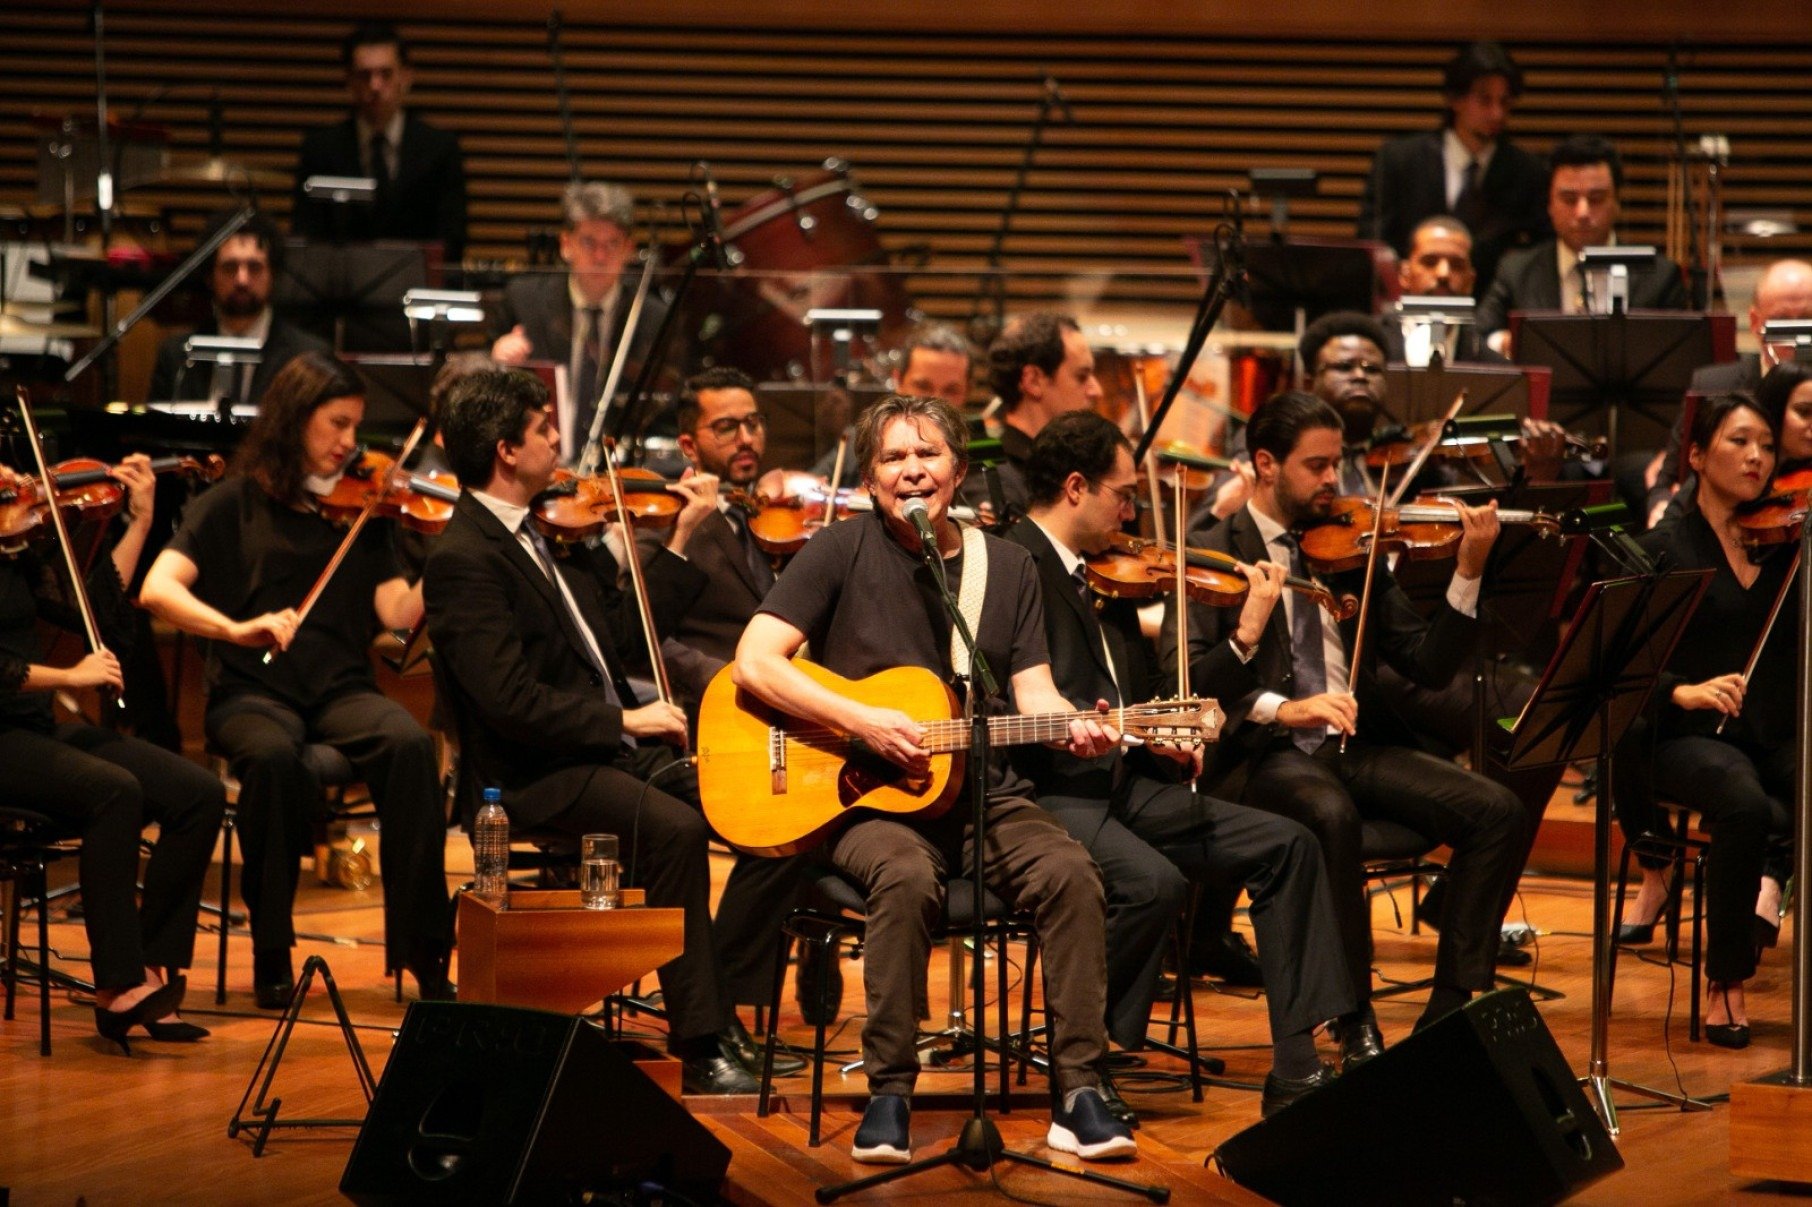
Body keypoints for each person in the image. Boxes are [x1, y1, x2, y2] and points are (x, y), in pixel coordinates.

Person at [733, 394, 1136, 1163]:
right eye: (892, 457)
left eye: (928, 454)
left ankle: (1079, 1088)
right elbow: (754, 660)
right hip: (865, 799)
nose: (911, 469)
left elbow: (1034, 691)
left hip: (985, 793)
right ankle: (890, 1090)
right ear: (869, 476)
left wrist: (1076, 725)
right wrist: (859, 721)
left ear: (957, 470)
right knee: (906, 877)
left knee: (1071, 872)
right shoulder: (837, 551)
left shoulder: (1006, 563)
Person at [424, 367, 773, 1094]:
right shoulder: (465, 558)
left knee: (758, 799)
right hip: (527, 775)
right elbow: (508, 701)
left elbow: (618, 643)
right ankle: (702, 1042)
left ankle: (723, 1002)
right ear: (504, 449)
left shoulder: (540, 535)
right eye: (544, 429)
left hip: (591, 750)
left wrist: (677, 538)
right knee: (673, 829)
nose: (560, 441)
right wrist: (627, 718)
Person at [1008, 411, 1357, 1117]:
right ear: (1077, 487)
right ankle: (1085, 1055)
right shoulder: (1014, 562)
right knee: (1155, 882)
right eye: (1123, 494)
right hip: (1052, 793)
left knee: (1289, 844)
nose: (1133, 512)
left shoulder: (1101, 574)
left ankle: (1296, 1067)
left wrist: (1163, 732)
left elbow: (1132, 697)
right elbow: (1013, 697)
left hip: (1127, 784)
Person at [1162, 391, 1528, 1040]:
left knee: (1497, 809)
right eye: (1318, 465)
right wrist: (1283, 704)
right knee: (1329, 812)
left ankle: (1451, 1003)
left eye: (1336, 463)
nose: (1335, 478)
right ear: (1266, 464)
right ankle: (1351, 1010)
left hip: (1348, 747)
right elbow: (1185, 683)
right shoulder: (1211, 550)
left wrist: (1467, 572)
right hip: (1257, 754)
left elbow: (1427, 664)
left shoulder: (1351, 545)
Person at [139, 351, 453, 1009]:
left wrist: (447, 552)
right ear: (293, 418)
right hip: (251, 692)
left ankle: (424, 951)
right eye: (336, 424)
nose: (350, 443)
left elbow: (396, 613)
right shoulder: (231, 504)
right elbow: (157, 589)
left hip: (341, 690)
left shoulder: (362, 512)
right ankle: (272, 950)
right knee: (275, 757)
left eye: (356, 426)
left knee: (410, 744)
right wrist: (233, 628)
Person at [1, 455, 224, 1049]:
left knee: (196, 793)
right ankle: (116, 987)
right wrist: (70, 678)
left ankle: (152, 969)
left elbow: (92, 613)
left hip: (30, 727)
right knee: (113, 790)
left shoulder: (17, 553)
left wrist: (139, 523)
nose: (16, 487)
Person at [1612, 391, 1797, 1048]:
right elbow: (1616, 668)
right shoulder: (1661, 547)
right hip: (1684, 737)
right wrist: (1683, 692)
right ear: (1695, 454)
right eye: (1740, 441)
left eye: (1767, 445)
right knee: (1743, 802)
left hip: (1770, 729)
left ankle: (1767, 894)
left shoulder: (1786, 544)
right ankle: (1726, 978)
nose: (1757, 456)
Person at [490, 181, 667, 464]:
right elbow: (485, 398)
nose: (600, 256)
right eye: (588, 242)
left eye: (612, 244)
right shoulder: (524, 301)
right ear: (566, 244)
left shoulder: (652, 317)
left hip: (621, 473)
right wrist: (496, 359)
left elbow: (666, 408)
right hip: (541, 469)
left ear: (629, 249)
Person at [1357, 42, 1549, 299]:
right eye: (1485, 100)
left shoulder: (1528, 172)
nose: (1497, 113)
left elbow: (1536, 256)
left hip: (1489, 313)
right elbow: (1374, 245)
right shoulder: (1399, 160)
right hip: (1408, 304)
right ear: (1455, 99)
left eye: (1505, 102)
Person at [1478, 134, 1688, 354]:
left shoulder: (1659, 276)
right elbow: (1476, 337)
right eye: (1569, 199)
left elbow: (1681, 353)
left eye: (1596, 199)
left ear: (1616, 203)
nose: (1583, 213)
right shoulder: (1516, 272)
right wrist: (1504, 342)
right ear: (1550, 204)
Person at [1644, 259, 1812, 525]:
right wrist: (1660, 507)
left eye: (1806, 319)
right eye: (1781, 320)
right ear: (1756, 322)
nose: (1796, 334)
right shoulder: (1714, 385)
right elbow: (1669, 481)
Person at [290, 22, 467, 260]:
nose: (375, 86)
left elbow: (452, 238)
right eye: (365, 75)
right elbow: (305, 236)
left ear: (406, 76)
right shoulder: (320, 149)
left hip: (418, 288)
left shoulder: (440, 149)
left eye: (385, 74)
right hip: (339, 290)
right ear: (349, 80)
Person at [146, 212, 331, 405]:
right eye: (230, 267)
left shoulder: (307, 357)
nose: (242, 280)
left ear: (273, 275)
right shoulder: (175, 356)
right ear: (210, 276)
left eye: (254, 267)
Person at [956, 312, 1102, 519]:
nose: (1097, 390)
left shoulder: (1066, 467)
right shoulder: (992, 481)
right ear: (1033, 380)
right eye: (1081, 376)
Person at [816, 321, 975, 487]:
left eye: (951, 390)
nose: (935, 401)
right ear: (898, 381)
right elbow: (813, 486)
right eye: (923, 386)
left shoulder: (985, 455)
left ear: (968, 391)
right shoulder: (865, 441)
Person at [1385, 216, 1507, 367]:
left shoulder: (1494, 368)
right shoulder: (1372, 349)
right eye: (1430, 262)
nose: (1443, 273)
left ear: (1471, 281)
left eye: (1457, 265)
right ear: (1405, 274)